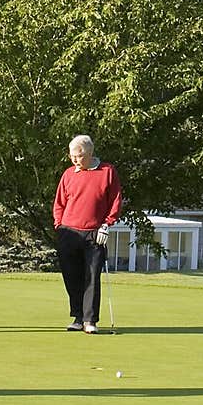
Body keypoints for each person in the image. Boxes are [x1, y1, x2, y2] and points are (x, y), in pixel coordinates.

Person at [52, 134, 122, 334]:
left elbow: (115, 201)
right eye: (72, 156)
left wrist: (107, 225)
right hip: (69, 232)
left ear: (90, 153)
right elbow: (59, 203)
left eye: (79, 155)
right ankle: (78, 317)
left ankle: (90, 320)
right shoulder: (68, 174)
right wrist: (59, 226)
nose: (75, 159)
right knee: (71, 276)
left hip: (94, 233)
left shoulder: (107, 171)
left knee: (91, 276)